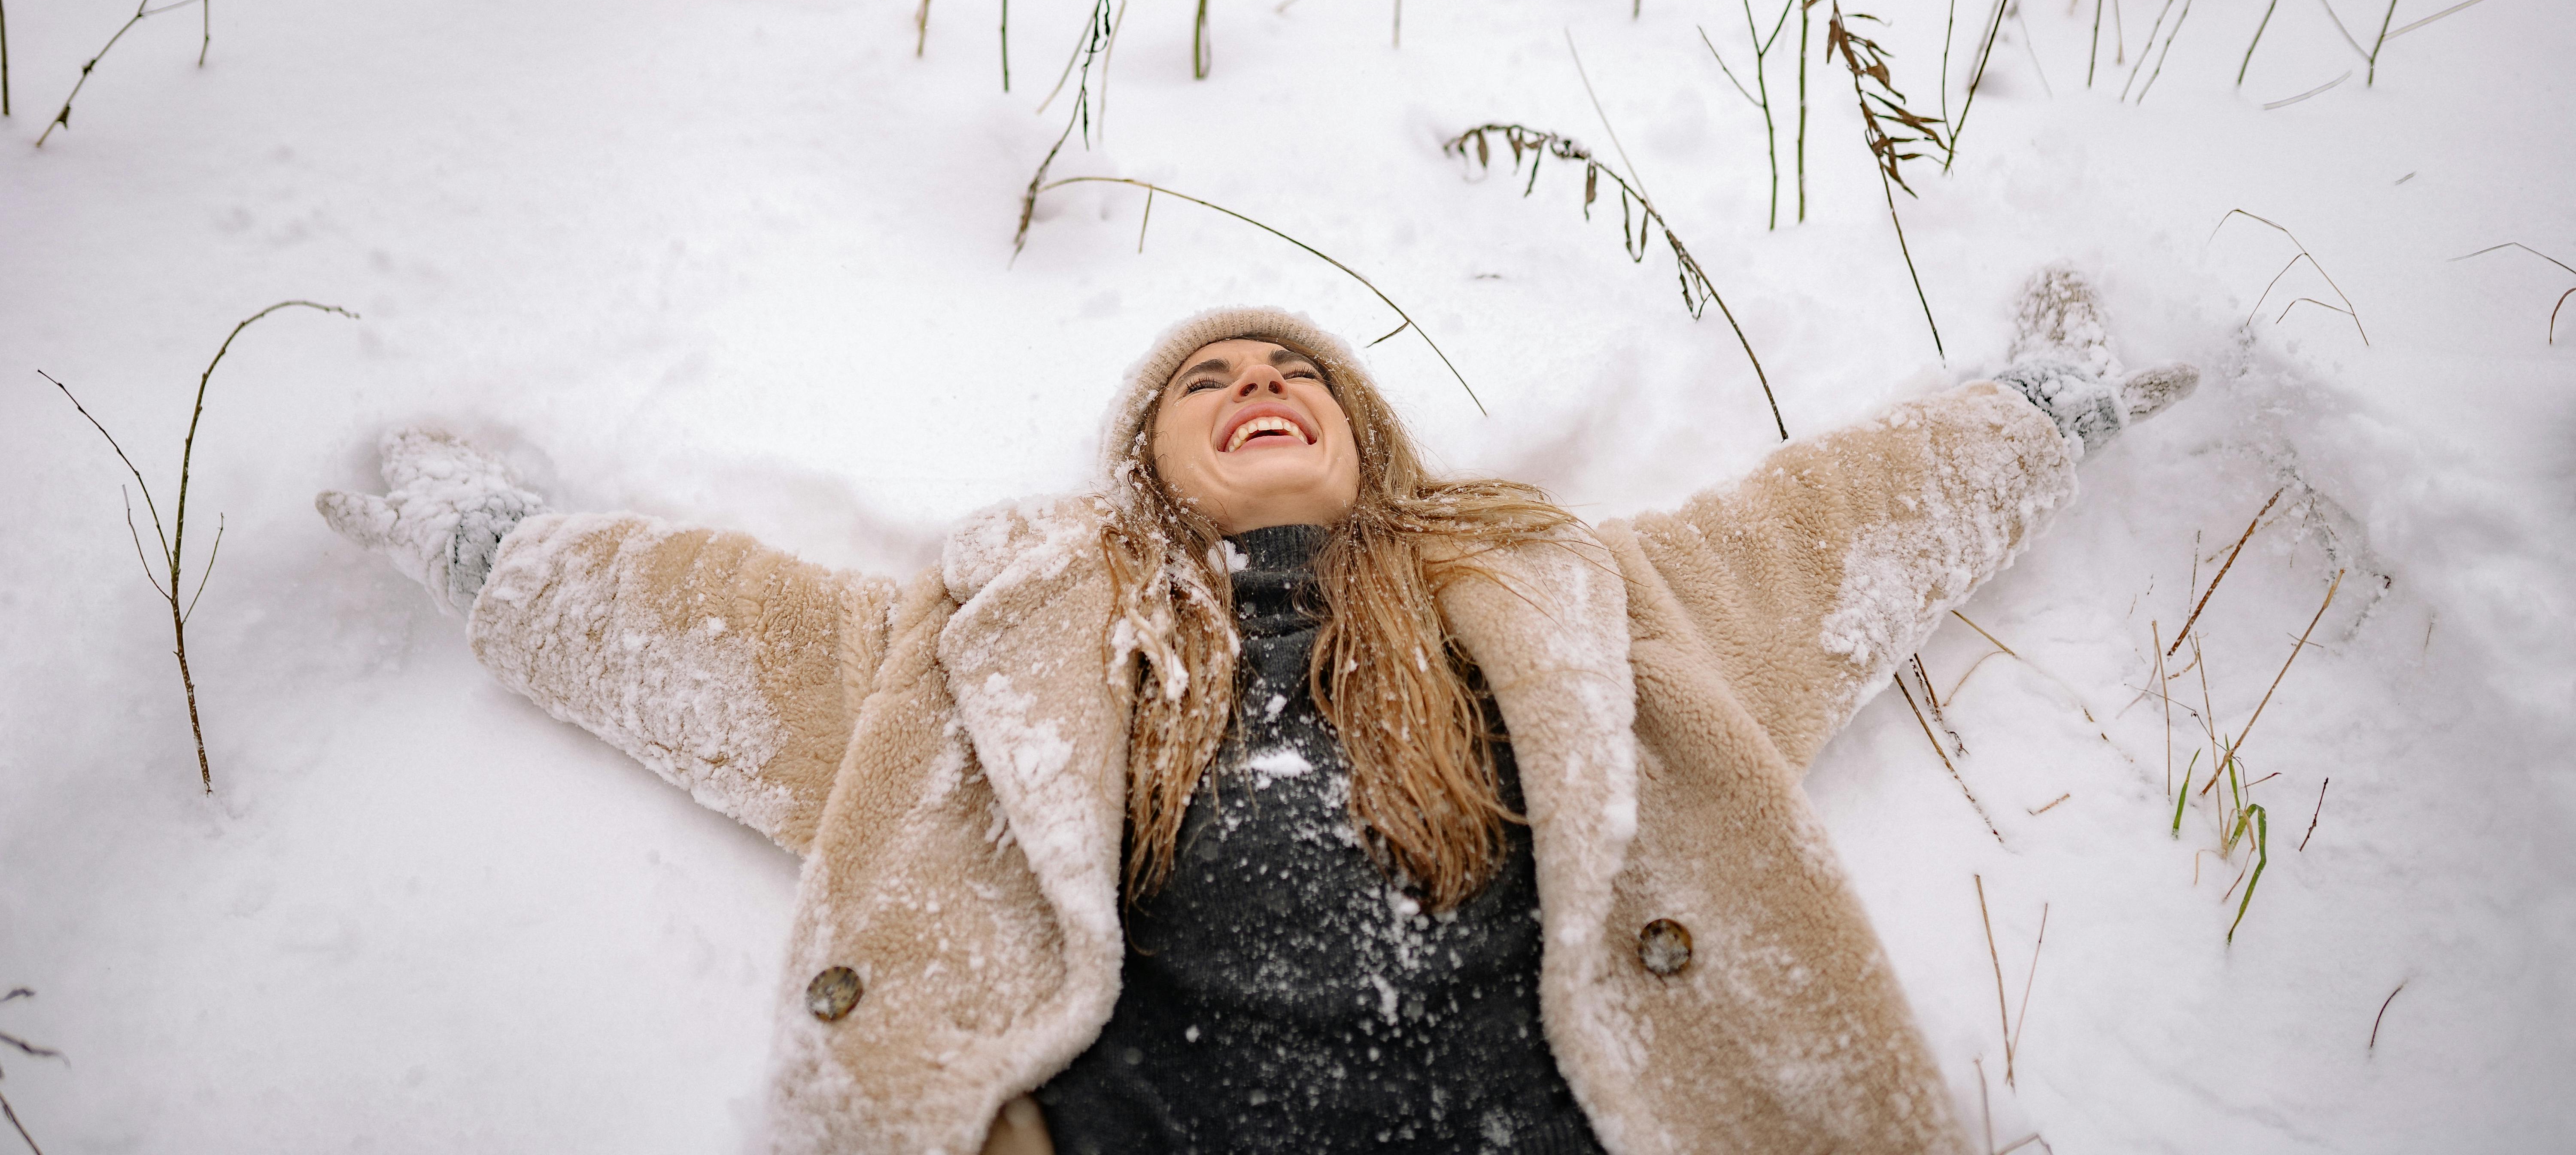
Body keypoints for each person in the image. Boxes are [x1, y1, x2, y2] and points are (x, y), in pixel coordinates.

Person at [317, 268, 2195, 1155]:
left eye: (1295, 365)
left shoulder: (1568, 604)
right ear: (1153, 460)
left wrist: (2053, 400)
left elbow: (1826, 533)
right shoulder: (1017, 645)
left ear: (1362, 438)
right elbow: (720, 636)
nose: (1257, 378)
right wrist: (480, 537)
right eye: (1205, 377)